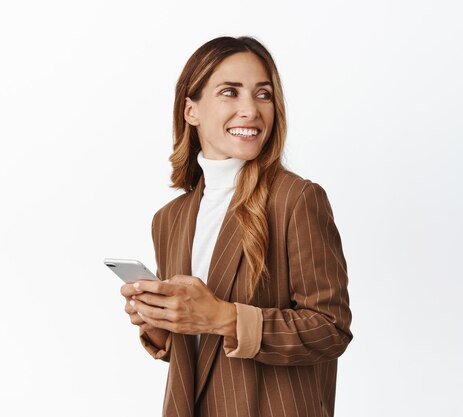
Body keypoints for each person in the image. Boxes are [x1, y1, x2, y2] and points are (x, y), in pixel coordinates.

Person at [119, 36, 352, 417]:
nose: (251, 109)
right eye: (230, 92)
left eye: (263, 95)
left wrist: (223, 317)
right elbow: (200, 355)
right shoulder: (169, 218)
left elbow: (331, 329)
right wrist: (161, 323)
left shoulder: (296, 199)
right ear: (190, 110)